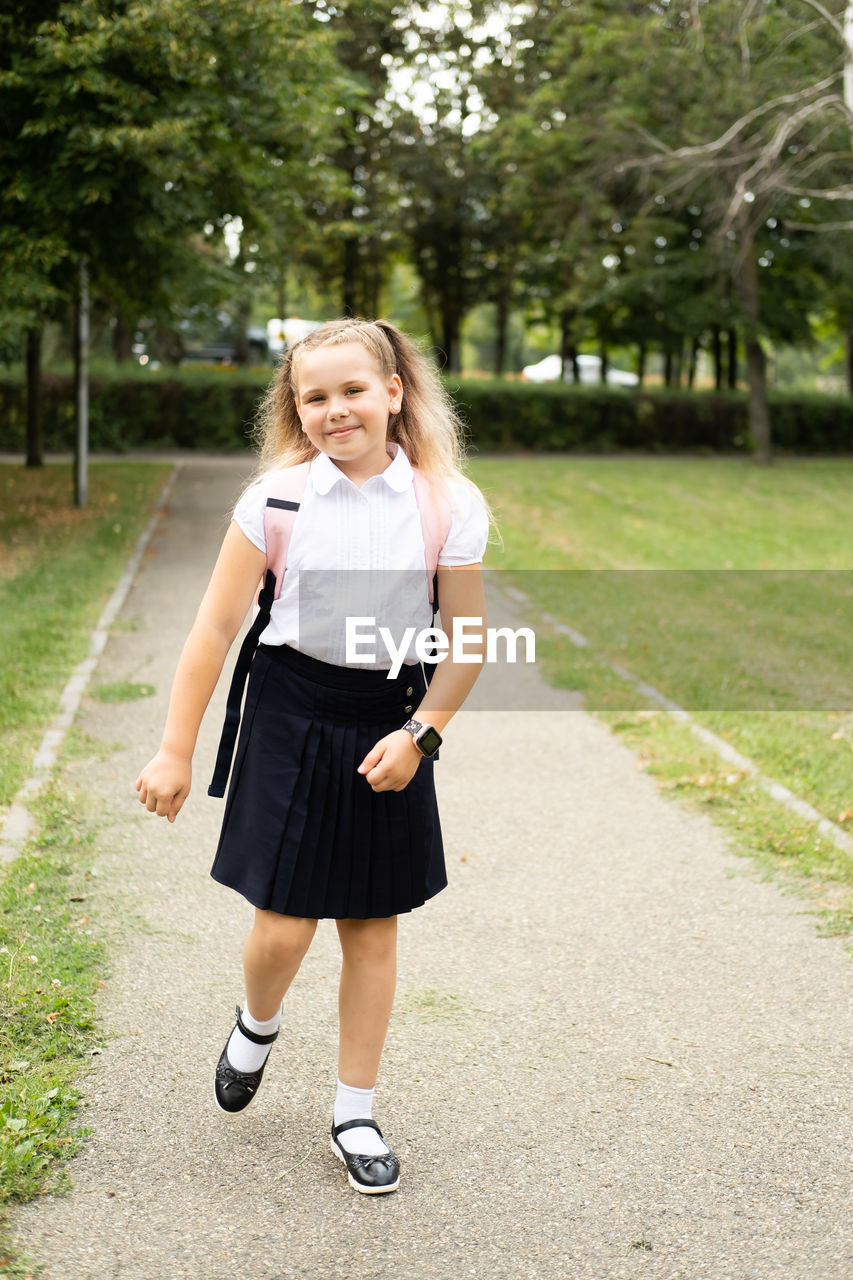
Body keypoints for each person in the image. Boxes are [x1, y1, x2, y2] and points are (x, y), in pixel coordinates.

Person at [135, 318, 490, 1195]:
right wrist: (174, 751)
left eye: (353, 391)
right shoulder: (276, 500)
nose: (336, 410)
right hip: (290, 711)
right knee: (285, 924)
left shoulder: (447, 502)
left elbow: (468, 640)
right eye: (314, 396)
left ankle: (354, 1110)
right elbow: (215, 629)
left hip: (389, 721)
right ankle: (257, 1024)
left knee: (370, 928)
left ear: (395, 392)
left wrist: (421, 736)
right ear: (294, 408)